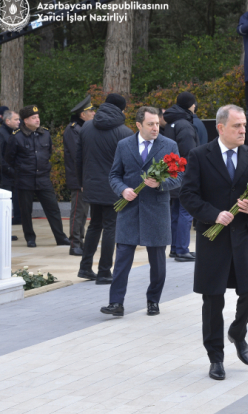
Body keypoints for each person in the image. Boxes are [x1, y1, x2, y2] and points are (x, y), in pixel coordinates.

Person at [179, 104, 248, 381]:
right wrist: (213, 214)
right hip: (213, 241)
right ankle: (216, 358)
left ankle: (238, 332)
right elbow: (188, 195)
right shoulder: (199, 156)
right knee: (212, 300)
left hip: (244, 239)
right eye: (237, 126)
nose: (244, 130)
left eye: (244, 126)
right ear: (220, 128)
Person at [101, 106, 180, 317]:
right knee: (122, 260)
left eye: (157, 123)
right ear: (138, 125)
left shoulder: (169, 145)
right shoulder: (124, 145)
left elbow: (179, 178)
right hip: (129, 210)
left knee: (157, 263)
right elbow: (114, 175)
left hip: (156, 211)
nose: (156, 128)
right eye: (150, 124)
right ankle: (116, 303)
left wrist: (160, 184)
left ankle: (153, 300)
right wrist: (123, 189)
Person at [76, 93, 133, 284]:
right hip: (114, 187)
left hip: (91, 183)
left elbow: (78, 157)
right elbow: (129, 165)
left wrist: (81, 181)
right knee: (111, 227)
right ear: (122, 109)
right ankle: (104, 271)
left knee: (94, 225)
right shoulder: (125, 132)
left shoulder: (86, 127)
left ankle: (85, 268)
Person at [5, 105, 70, 248]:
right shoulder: (16, 136)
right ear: (25, 120)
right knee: (26, 211)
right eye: (33, 118)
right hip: (25, 179)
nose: (37, 120)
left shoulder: (45, 134)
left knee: (53, 208)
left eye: (38, 117)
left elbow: (48, 153)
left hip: (43, 178)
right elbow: (9, 158)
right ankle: (30, 238)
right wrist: (18, 173)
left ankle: (61, 237)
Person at [161, 92, 200, 262]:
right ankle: (182, 249)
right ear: (189, 105)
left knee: (176, 211)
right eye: (193, 103)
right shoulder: (184, 124)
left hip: (172, 172)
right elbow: (189, 152)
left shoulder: (171, 122)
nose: (195, 106)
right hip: (184, 173)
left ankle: (175, 248)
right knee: (185, 211)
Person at [63, 95, 95, 256]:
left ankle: (80, 242)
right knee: (77, 212)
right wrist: (82, 179)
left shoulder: (83, 128)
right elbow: (78, 156)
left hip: (85, 177)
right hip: (78, 178)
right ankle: (75, 244)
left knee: (83, 212)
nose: (93, 113)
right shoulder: (73, 129)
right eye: (90, 111)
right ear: (83, 114)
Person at [0, 107, 21, 236]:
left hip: (11, 175)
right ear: (7, 121)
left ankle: (6, 233)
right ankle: (3, 233)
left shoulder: (11, 133)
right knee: (4, 207)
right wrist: (11, 171)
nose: (19, 122)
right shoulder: (1, 134)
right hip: (5, 176)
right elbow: (0, 157)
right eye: (16, 119)